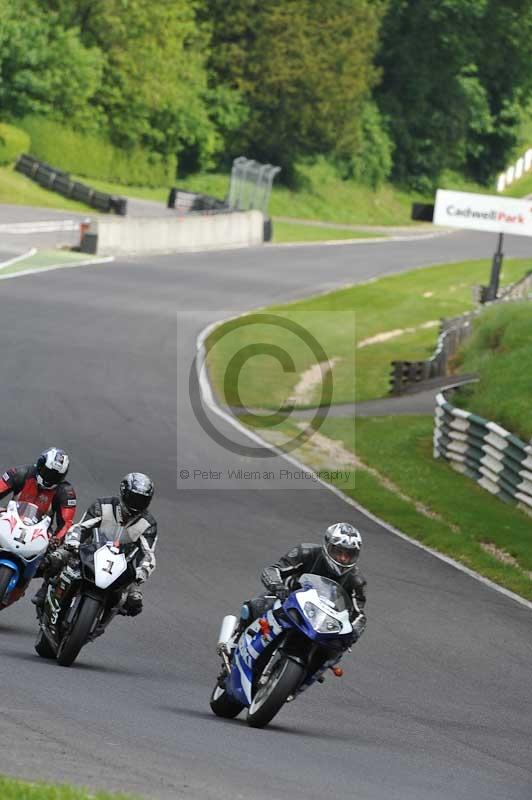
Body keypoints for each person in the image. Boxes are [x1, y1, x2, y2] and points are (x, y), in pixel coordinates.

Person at [33, 472, 157, 618]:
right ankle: (46, 588)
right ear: (124, 492)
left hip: (122, 565)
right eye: (134, 498)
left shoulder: (148, 523)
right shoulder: (103, 505)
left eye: (142, 500)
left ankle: (101, 619)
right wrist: (73, 542)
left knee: (134, 602)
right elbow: (80, 527)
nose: (137, 504)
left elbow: (148, 553)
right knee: (55, 559)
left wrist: (143, 571)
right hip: (89, 552)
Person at [237, 522, 367, 640]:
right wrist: (278, 587)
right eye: (339, 552)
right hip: (289, 601)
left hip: (323, 620)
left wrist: (353, 632)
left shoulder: (356, 580)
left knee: (336, 647)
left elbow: (359, 615)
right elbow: (272, 570)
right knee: (256, 605)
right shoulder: (306, 552)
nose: (343, 558)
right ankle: (237, 639)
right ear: (327, 546)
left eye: (349, 554)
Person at [0, 448, 76, 605]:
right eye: (47, 472)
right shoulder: (19, 473)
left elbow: (66, 523)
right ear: (40, 465)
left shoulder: (66, 492)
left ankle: (46, 592)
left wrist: (57, 539)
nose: (50, 478)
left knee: (63, 558)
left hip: (39, 533)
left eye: (56, 476)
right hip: (10, 521)